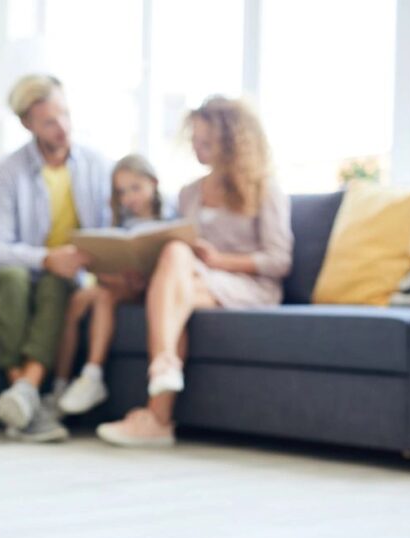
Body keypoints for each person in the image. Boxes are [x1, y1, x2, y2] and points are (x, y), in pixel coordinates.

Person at [96, 96, 293, 447]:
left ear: (233, 142)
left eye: (207, 142)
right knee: (174, 260)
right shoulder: (190, 193)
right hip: (198, 280)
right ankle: (161, 395)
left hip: (250, 286)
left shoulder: (265, 188)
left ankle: (158, 404)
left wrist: (219, 260)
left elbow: (279, 260)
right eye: (195, 141)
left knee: (175, 273)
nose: (198, 149)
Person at [0, 74, 112, 442]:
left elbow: (110, 230)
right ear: (27, 124)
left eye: (64, 114)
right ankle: (25, 396)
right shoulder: (7, 171)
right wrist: (47, 258)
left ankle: (23, 397)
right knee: (17, 279)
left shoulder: (96, 165)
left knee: (58, 283)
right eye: (49, 121)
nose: (62, 126)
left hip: (61, 278)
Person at [53, 154, 176, 416]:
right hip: (124, 286)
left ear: (153, 183)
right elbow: (104, 274)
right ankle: (62, 385)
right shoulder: (121, 224)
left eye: (136, 188)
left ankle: (90, 375)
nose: (129, 198)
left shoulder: (172, 216)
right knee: (81, 298)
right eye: (122, 192)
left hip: (158, 289)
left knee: (102, 296)